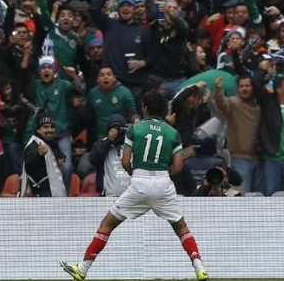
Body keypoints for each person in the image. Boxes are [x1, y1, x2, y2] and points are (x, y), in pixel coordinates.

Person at [60, 91, 208, 281]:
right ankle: (200, 269)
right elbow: (178, 166)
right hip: (163, 183)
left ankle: (82, 269)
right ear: (163, 109)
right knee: (181, 228)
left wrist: (136, 174)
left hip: (139, 182)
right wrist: (162, 174)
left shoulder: (135, 129)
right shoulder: (173, 133)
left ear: (144, 107)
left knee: (107, 224)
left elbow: (125, 161)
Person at [21, 114, 67, 197]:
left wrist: (61, 157)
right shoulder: (33, 145)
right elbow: (28, 167)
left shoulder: (49, 142)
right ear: (38, 129)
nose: (50, 130)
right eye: (45, 127)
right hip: (43, 196)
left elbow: (56, 152)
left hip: (55, 193)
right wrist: (38, 155)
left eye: (52, 127)